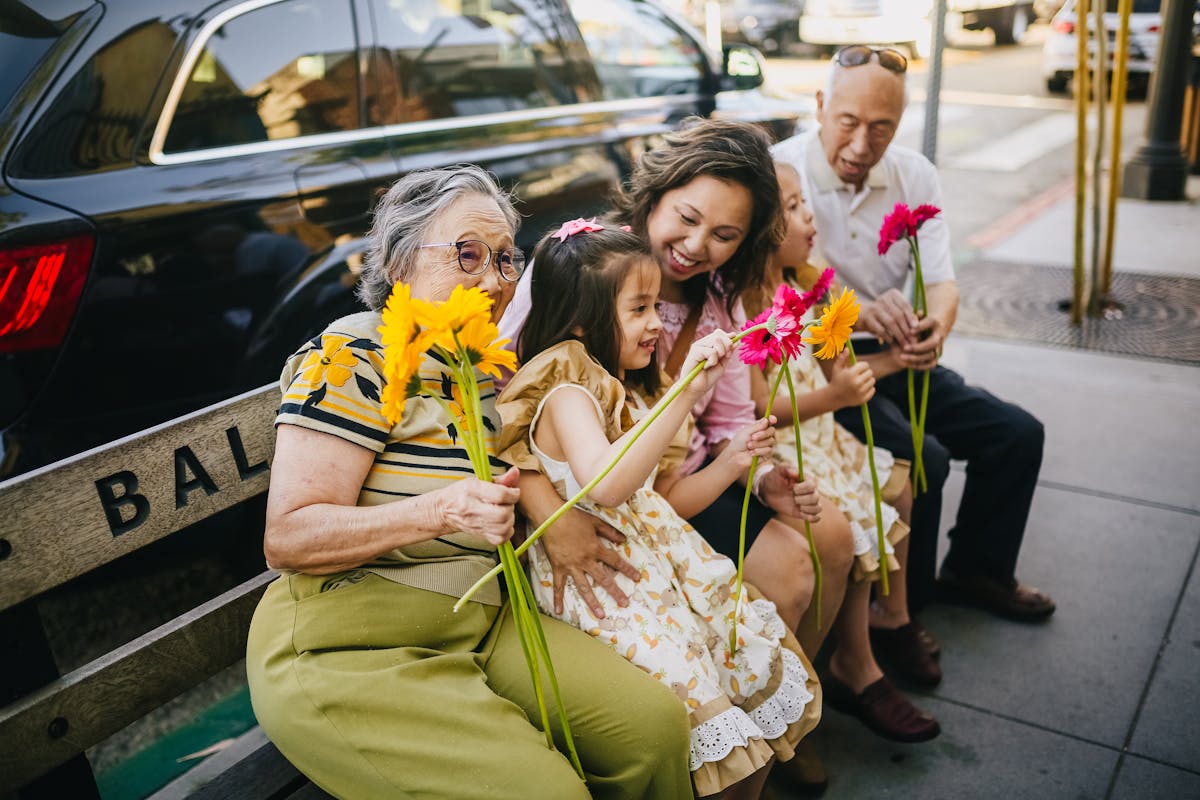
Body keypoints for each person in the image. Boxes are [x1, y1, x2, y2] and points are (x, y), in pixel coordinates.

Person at [244, 165, 693, 800]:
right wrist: (440, 511)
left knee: (656, 729)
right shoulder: (352, 356)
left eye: (507, 260)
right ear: (402, 262)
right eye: (467, 255)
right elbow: (288, 538)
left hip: (481, 625)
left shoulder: (480, 371)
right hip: (351, 648)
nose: (492, 278)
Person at [501, 117, 858, 793]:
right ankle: (736, 741)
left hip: (671, 485)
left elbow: (726, 424)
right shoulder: (584, 272)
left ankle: (777, 728)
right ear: (656, 197)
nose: (697, 246)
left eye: (725, 236)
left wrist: (759, 479)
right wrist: (551, 509)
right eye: (687, 219)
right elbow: (503, 408)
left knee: (825, 535)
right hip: (601, 499)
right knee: (788, 572)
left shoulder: (718, 301)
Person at [772, 46, 1054, 627]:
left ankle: (978, 570)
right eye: (848, 122)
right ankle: (902, 612)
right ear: (820, 105)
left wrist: (934, 332)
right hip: (824, 363)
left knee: (1017, 435)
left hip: (899, 353)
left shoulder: (914, 174)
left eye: (882, 128)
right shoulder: (781, 173)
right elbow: (786, 293)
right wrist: (863, 314)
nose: (860, 145)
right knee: (925, 460)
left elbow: (943, 283)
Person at [745, 161, 940, 749]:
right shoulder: (753, 304)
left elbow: (839, 363)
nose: (810, 217)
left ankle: (890, 619)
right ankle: (855, 664)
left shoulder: (810, 283)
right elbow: (759, 407)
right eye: (795, 208)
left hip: (825, 434)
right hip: (789, 444)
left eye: (807, 202)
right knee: (858, 514)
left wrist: (876, 364)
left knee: (899, 483)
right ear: (761, 228)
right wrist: (835, 392)